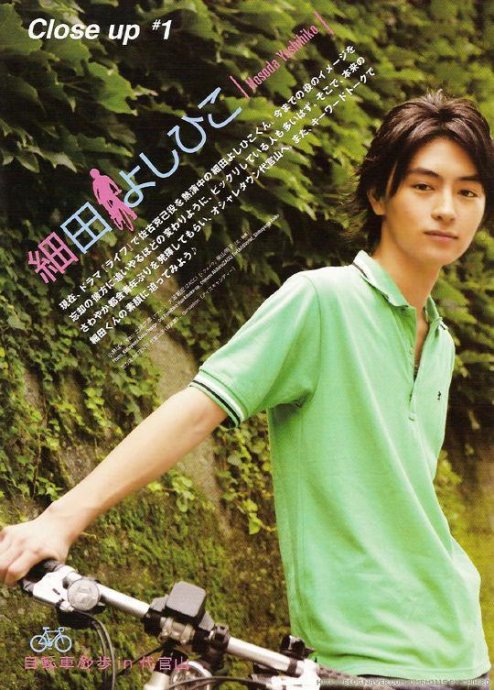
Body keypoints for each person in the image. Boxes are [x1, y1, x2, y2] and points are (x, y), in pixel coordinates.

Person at [0, 91, 492, 684]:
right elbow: (198, 406)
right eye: (424, 186)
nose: (447, 209)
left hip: (461, 651)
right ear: (379, 195)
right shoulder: (322, 301)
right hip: (363, 657)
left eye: (468, 192)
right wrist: (60, 518)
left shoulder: (439, 341)